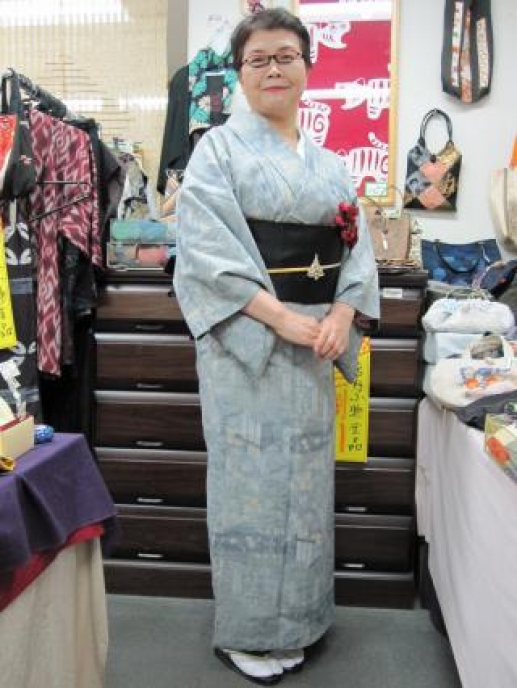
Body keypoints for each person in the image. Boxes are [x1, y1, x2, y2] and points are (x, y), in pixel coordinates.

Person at [173, 8, 379, 685]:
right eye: (258, 59)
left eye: (286, 56)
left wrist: (342, 312)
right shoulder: (217, 151)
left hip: (316, 341)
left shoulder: (331, 166)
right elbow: (207, 255)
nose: (273, 69)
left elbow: (356, 253)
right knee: (250, 487)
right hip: (248, 345)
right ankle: (251, 629)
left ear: (306, 67)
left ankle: (302, 620)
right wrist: (279, 319)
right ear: (239, 73)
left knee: (307, 484)